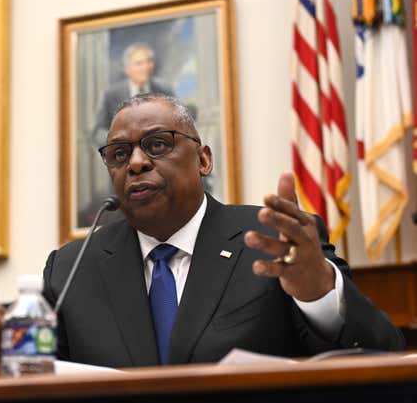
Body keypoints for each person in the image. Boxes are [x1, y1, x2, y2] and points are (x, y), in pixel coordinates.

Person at [43, 94, 404, 368]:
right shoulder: (71, 268)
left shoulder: (274, 241)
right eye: (120, 154)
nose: (136, 163)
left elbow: (384, 354)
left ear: (203, 160)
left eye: (157, 144)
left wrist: (318, 294)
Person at [90, 43, 174, 148]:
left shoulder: (165, 91)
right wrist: (119, 140)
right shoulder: (111, 95)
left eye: (149, 61)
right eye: (139, 63)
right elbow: (97, 133)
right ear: (127, 69)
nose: (146, 67)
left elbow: (176, 124)